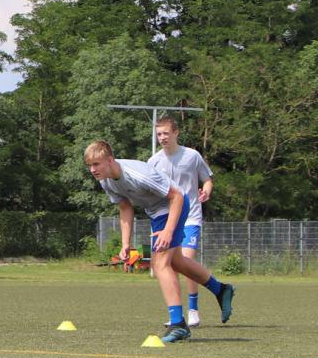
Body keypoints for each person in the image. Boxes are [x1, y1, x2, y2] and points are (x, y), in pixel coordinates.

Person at [85, 140, 234, 343]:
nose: (92, 170)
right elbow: (125, 208)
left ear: (110, 160)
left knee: (160, 263)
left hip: (175, 205)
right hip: (157, 213)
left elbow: (177, 197)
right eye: (90, 165)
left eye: (96, 164)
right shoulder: (106, 181)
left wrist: (168, 231)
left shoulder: (137, 174)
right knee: (177, 262)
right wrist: (125, 243)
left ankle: (178, 324)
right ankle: (221, 289)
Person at [148, 116, 213, 328]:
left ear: (176, 133)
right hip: (168, 221)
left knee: (186, 260)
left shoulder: (192, 156)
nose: (162, 137)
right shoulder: (154, 161)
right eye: (159, 134)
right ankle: (176, 313)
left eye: (166, 133)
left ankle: (193, 310)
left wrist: (206, 192)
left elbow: (207, 179)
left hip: (190, 216)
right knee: (168, 265)